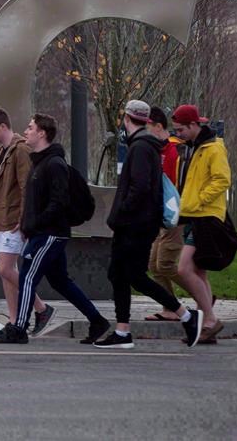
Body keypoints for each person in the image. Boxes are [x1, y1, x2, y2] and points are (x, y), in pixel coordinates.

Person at [0, 113, 110, 345]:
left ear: (42, 133)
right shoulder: (40, 163)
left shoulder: (54, 165)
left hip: (50, 233)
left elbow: (58, 202)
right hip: (44, 232)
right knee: (60, 282)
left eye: (30, 128)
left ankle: (19, 328)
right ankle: (97, 321)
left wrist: (35, 224)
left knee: (27, 277)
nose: (25, 131)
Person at [94, 101, 203, 349]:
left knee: (134, 276)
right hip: (137, 225)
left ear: (127, 119)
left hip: (135, 226)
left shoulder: (140, 148)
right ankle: (123, 332)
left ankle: (186, 316)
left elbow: (139, 188)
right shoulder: (145, 145)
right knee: (118, 274)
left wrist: (120, 215)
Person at [0, 107, 55, 338]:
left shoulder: (20, 149)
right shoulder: (2, 151)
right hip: (4, 219)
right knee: (5, 270)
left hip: (14, 220)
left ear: (3, 126)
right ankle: (14, 320)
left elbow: (27, 186)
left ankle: (41, 308)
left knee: (5, 268)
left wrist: (24, 220)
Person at [172, 104, 231, 344]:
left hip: (206, 216)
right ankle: (207, 325)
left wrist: (200, 200)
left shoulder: (212, 148)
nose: (178, 134)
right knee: (198, 270)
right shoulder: (191, 148)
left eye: (181, 129)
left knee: (183, 268)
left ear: (194, 125)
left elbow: (222, 179)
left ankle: (209, 318)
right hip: (193, 214)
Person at [145, 106, 188, 321]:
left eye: (147, 126)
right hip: (160, 216)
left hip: (175, 215)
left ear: (158, 126)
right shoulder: (153, 150)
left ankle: (202, 294)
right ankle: (170, 307)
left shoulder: (175, 150)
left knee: (165, 264)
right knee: (154, 265)